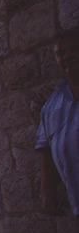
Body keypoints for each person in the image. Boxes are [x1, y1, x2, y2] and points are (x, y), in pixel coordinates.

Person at [37, 26, 79, 215]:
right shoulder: (52, 106)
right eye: (60, 53)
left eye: (75, 49)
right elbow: (46, 146)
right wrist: (48, 189)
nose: (67, 56)